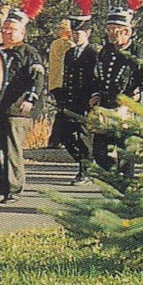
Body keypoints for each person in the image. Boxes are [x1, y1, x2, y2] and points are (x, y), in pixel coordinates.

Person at [0, 1, 45, 203]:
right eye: (5, 29)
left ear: (22, 33)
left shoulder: (29, 53)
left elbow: (37, 78)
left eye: (12, 30)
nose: (7, 32)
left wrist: (30, 99)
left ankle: (13, 189)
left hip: (15, 109)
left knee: (11, 150)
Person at [88, 7, 143, 174]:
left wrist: (139, 94)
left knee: (125, 150)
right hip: (105, 108)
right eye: (109, 30)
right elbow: (97, 76)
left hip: (127, 109)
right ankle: (113, 176)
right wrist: (96, 94)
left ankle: (126, 184)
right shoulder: (106, 51)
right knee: (99, 152)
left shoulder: (139, 52)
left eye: (115, 30)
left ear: (126, 32)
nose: (111, 33)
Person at [52, 15, 99, 185]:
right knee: (63, 134)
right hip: (70, 100)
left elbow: (95, 79)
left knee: (83, 136)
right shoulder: (70, 53)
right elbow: (67, 78)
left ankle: (85, 171)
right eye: (73, 32)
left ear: (88, 33)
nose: (75, 36)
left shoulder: (93, 54)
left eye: (79, 33)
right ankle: (85, 162)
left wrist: (94, 99)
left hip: (85, 101)